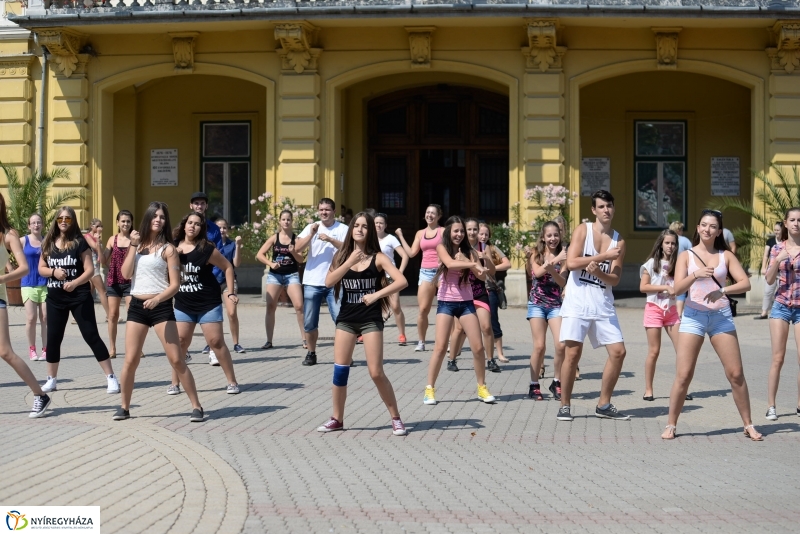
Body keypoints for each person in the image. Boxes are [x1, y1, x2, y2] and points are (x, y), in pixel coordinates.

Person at [661, 209, 761, 441]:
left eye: (713, 226)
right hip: (693, 316)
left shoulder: (726, 256)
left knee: (736, 374)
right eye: (703, 225)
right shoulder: (686, 256)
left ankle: (748, 424)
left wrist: (723, 290)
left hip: (721, 317)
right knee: (684, 375)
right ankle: (671, 424)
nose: (707, 229)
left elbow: (745, 283)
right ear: (697, 228)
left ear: (719, 231)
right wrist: (696, 276)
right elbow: (676, 289)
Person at [316, 212, 409, 435]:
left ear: (370, 231)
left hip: (370, 319)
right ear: (351, 230)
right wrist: (349, 261)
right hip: (346, 319)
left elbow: (402, 281)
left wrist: (377, 296)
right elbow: (328, 282)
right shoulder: (341, 256)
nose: (359, 229)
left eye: (364, 227)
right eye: (356, 226)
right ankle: (336, 419)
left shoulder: (378, 257)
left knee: (376, 372)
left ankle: (395, 418)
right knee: (340, 371)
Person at [113, 201, 204, 422]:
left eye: (162, 217)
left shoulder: (169, 249)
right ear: (148, 218)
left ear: (165, 222)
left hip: (160, 307)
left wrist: (157, 299)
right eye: (155, 216)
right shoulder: (137, 246)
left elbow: (175, 284)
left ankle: (197, 406)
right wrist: (133, 246)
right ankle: (124, 407)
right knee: (130, 360)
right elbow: (125, 275)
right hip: (137, 307)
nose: (158, 220)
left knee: (176, 359)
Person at [557, 190, 629, 422]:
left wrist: (599, 271)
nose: (606, 210)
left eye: (609, 206)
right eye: (601, 206)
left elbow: (615, 279)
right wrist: (601, 257)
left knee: (618, 352)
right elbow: (571, 262)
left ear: (614, 208)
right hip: (578, 302)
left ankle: (603, 404)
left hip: (602, 304)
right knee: (573, 354)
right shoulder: (583, 230)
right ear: (593, 210)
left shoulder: (619, 241)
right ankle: (565, 405)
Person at [38, 207, 118, 395]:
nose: (63, 221)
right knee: (54, 338)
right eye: (60, 218)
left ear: (73, 221)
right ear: (56, 221)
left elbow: (90, 270)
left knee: (91, 335)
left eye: (67, 218)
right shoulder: (48, 242)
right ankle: (51, 379)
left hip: (79, 297)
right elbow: (41, 267)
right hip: (55, 298)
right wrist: (53, 272)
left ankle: (111, 377)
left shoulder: (80, 242)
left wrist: (74, 283)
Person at [422, 216, 496, 406]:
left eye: (461, 231)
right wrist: (470, 264)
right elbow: (450, 264)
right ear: (448, 232)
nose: (459, 234)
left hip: (466, 302)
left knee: (478, 347)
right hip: (446, 302)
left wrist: (478, 262)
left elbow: (481, 276)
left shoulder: (469, 251)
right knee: (439, 348)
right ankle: (429, 389)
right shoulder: (441, 247)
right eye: (456, 231)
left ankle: (482, 387)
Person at [169, 212, 240, 394]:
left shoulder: (206, 248)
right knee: (181, 342)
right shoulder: (173, 247)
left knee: (216, 342)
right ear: (184, 225)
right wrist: (169, 256)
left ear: (202, 228)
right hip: (184, 303)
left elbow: (228, 267)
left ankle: (232, 381)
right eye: (190, 222)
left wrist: (230, 292)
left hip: (208, 302)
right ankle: (174, 383)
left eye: (197, 224)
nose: (193, 226)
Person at [0, 195, 51, 418]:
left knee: (5, 352)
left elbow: (22, 268)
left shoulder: (8, 235)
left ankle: (40, 395)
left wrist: (1, 279)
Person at [294, 198, 348, 366]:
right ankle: (311, 353)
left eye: (327, 209)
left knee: (341, 320)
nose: (324, 212)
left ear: (334, 211)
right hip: (312, 281)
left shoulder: (343, 229)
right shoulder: (312, 227)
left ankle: (345, 355)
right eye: (321, 209)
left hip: (335, 281)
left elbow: (350, 249)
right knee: (309, 322)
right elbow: (297, 248)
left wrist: (331, 239)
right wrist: (311, 234)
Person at [446, 218, 501, 374]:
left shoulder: (483, 247)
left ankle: (490, 360)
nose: (471, 232)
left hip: (479, 291)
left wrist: (486, 259)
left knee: (486, 326)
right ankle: (452, 359)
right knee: (458, 328)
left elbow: (490, 272)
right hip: (462, 293)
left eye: (474, 229)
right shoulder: (457, 247)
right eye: (468, 229)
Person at [640, 229, 688, 401]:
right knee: (654, 351)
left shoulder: (678, 265)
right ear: (661, 243)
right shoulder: (652, 264)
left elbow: (682, 285)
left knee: (682, 350)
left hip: (672, 311)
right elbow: (643, 287)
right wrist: (665, 288)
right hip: (654, 309)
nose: (670, 246)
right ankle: (648, 389)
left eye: (673, 243)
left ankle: (682, 389)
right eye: (667, 243)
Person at [764, 209, 800, 421]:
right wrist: (778, 260)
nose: (796, 224)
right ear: (785, 223)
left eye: (799, 220)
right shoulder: (777, 248)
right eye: (793, 220)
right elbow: (769, 280)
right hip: (781, 306)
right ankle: (771, 406)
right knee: (778, 358)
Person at [527, 221, 568, 400]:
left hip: (555, 304)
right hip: (536, 303)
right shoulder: (536, 253)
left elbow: (562, 282)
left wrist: (554, 269)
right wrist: (554, 262)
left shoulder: (565, 256)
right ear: (543, 237)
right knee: (539, 346)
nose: (553, 238)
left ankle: (556, 382)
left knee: (561, 344)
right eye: (549, 235)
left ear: (560, 235)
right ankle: (534, 385)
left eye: (556, 235)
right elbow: (536, 273)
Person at [396, 204, 443, 352]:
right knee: (423, 309)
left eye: (433, 213)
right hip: (426, 273)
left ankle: (448, 342)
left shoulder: (444, 231)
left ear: (439, 216)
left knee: (447, 308)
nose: (429, 215)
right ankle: (421, 341)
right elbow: (411, 253)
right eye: (427, 212)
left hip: (442, 272)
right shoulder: (419, 233)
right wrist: (401, 236)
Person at [256, 210, 306, 350]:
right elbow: (260, 254)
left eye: (288, 219)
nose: (286, 222)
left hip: (292, 275)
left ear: (292, 221)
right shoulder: (274, 238)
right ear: (279, 221)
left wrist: (293, 252)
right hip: (275, 275)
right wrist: (271, 264)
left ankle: (305, 339)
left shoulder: (296, 239)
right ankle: (269, 341)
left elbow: (301, 259)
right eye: (283, 219)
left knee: (299, 306)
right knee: (271, 306)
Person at [374, 213, 409, 345]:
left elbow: (405, 255)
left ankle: (402, 334)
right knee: (373, 307)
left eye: (381, 223)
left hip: (390, 277)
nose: (378, 225)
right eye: (376, 223)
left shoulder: (391, 239)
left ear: (385, 225)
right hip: (375, 277)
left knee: (395, 306)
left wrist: (399, 272)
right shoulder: (369, 239)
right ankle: (366, 334)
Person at [478, 223, 511, 363]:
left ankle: (500, 353)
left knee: (493, 321)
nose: (483, 236)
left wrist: (491, 268)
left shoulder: (492, 248)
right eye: (481, 233)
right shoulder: (470, 248)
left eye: (486, 234)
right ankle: (455, 351)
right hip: (474, 290)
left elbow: (507, 264)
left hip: (490, 288)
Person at [104, 210, 134, 358]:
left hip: (130, 281)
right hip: (114, 280)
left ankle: (134, 347)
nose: (125, 224)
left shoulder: (135, 239)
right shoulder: (112, 239)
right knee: (113, 315)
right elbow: (103, 260)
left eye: (128, 221)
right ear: (117, 223)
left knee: (132, 314)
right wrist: (97, 246)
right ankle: (112, 348)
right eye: (123, 221)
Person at [213, 218, 245, 354]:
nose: (222, 230)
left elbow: (236, 264)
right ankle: (211, 343)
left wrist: (238, 246)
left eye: (224, 227)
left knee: (231, 312)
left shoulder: (232, 245)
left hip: (228, 282)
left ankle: (236, 343)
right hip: (212, 282)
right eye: (219, 227)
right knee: (212, 315)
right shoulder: (210, 244)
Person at [21, 213, 47, 361]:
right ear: (29, 226)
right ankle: (32, 349)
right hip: (28, 283)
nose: (36, 225)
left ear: (42, 225)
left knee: (45, 317)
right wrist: (10, 268)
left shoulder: (47, 241)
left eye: (39, 222)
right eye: (33, 223)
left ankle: (46, 349)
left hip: (45, 283)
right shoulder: (24, 241)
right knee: (31, 318)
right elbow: (5, 247)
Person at [756, 221, 784, 320]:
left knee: (782, 293)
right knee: (768, 292)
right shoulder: (770, 241)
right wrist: (763, 268)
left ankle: (780, 312)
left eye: (778, 230)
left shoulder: (787, 241)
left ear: (783, 230)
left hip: (783, 272)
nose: (776, 232)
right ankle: (764, 312)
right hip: (771, 271)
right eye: (775, 230)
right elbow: (765, 256)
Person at [83, 218, 109, 321]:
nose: (100, 228)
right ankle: (110, 315)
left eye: (101, 226)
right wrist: (97, 240)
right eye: (97, 226)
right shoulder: (88, 237)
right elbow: (94, 247)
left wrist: (107, 264)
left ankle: (78, 316)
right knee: (102, 291)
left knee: (88, 293)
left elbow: (101, 253)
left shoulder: (98, 238)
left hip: (97, 265)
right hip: (92, 268)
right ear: (91, 226)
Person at [669, 221, 693, 317]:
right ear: (678, 230)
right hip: (682, 268)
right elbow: (692, 254)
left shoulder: (668, 239)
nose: (682, 231)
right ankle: (678, 314)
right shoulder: (685, 240)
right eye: (682, 229)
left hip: (669, 267)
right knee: (681, 292)